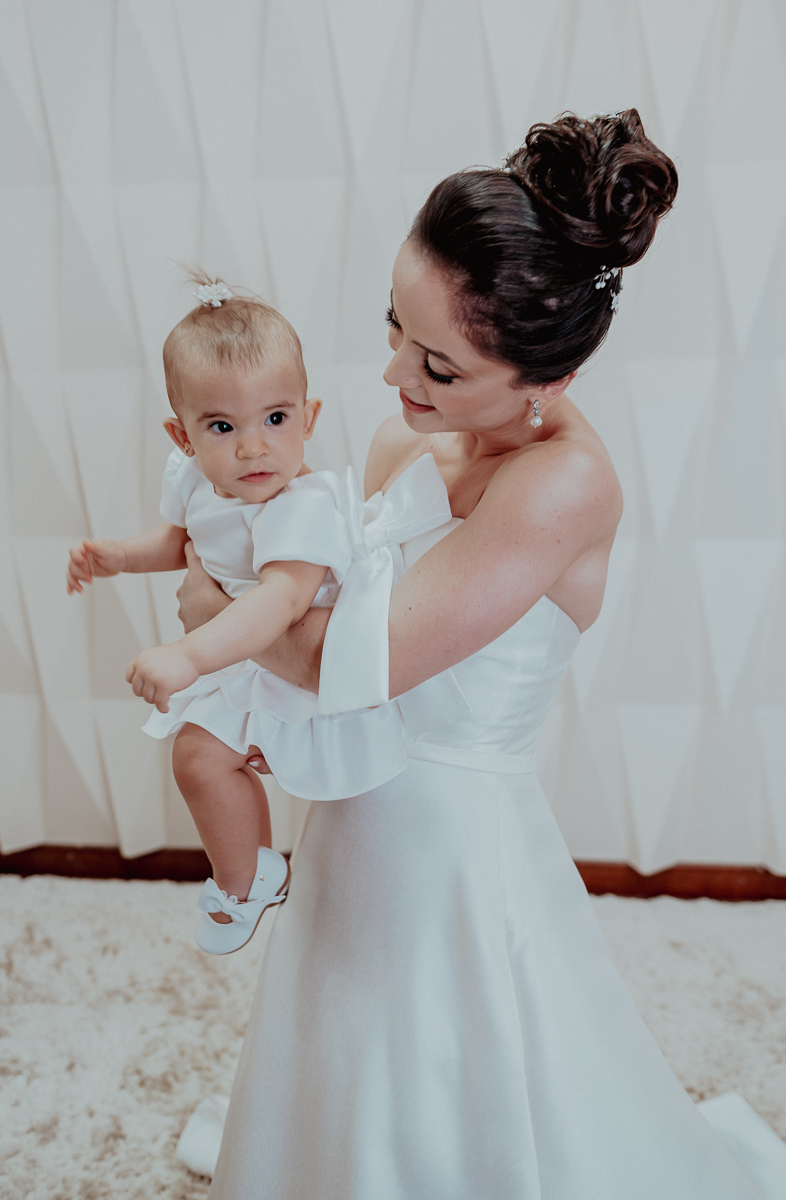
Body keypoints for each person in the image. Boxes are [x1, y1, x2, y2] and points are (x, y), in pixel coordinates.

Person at [177, 112, 776, 1198]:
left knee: (461, 1055)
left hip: (449, 841)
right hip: (358, 794)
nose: (395, 372)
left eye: (439, 366)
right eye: (395, 328)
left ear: (546, 375)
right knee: (341, 1032)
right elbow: (315, 598)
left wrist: (204, 596)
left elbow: (350, 656)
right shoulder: (408, 427)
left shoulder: (564, 485)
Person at [66, 278, 462, 956]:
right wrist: (117, 559)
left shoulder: (301, 505)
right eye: (223, 427)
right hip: (236, 651)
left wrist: (187, 654)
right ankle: (251, 875)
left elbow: (280, 601)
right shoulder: (197, 479)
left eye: (275, 420)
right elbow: (177, 541)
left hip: (298, 663)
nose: (253, 448)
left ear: (307, 420)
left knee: (207, 758)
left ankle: (244, 881)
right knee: (198, 761)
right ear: (182, 436)